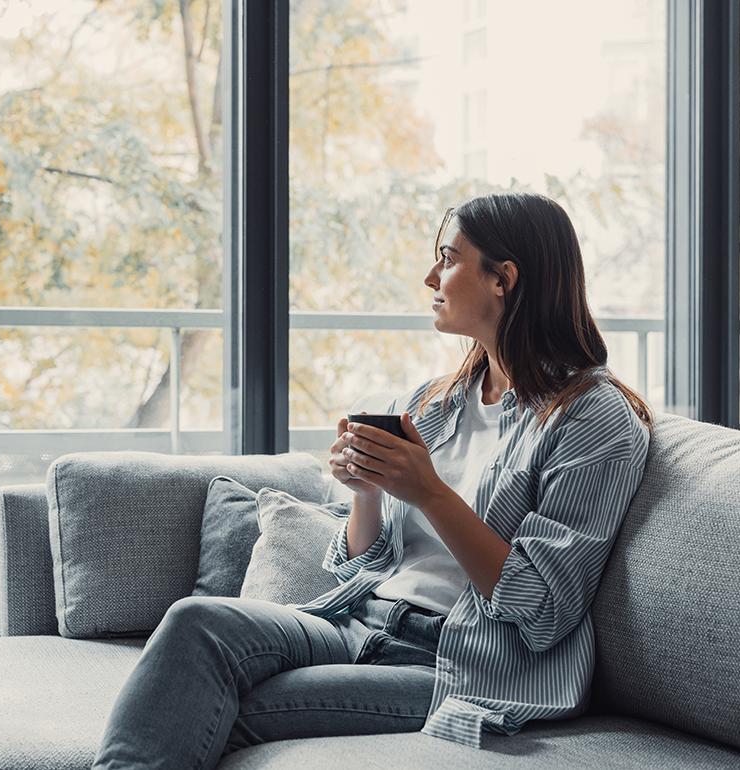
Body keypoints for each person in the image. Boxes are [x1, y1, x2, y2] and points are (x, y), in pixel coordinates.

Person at [91, 192, 654, 769]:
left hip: (455, 660)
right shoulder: (434, 403)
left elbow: (542, 607)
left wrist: (430, 493)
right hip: (359, 621)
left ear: (503, 279)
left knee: (215, 708)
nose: (430, 276)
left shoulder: (590, 418)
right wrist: (367, 491)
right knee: (196, 621)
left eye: (448, 258)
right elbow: (358, 563)